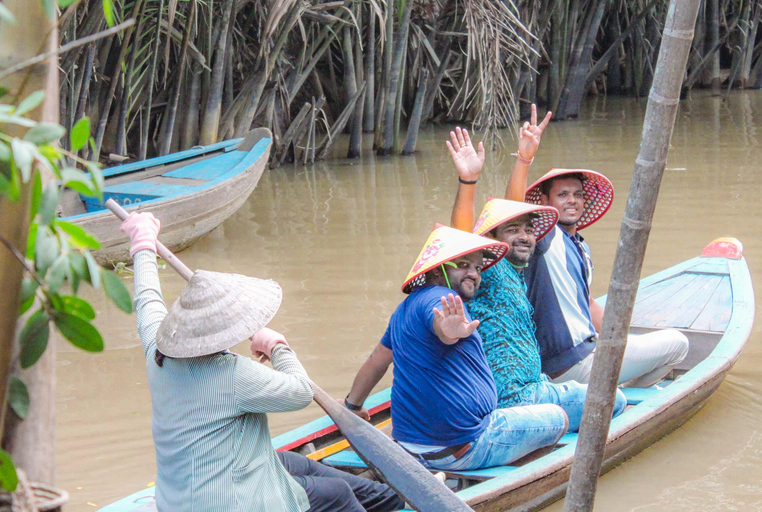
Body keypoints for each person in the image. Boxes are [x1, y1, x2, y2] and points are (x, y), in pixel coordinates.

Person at [121, 212, 404, 512]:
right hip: (234, 504)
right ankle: (391, 499)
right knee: (337, 493)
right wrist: (277, 346)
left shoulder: (157, 356)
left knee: (293, 462)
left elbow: (148, 300)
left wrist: (142, 245)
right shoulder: (232, 375)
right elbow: (300, 391)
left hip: (179, 500)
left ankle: (392, 498)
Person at [445, 121, 625, 431]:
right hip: (512, 398)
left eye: (530, 231)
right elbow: (463, 237)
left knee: (614, 400)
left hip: (537, 385)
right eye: (513, 232)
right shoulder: (488, 268)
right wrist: (469, 179)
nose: (526, 237)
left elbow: (515, 214)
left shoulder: (520, 276)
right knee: (600, 405)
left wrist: (525, 158)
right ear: (494, 240)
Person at [343, 224, 568, 472]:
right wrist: (448, 332)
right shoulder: (440, 298)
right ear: (438, 270)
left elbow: (377, 360)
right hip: (464, 446)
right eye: (463, 265)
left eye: (477, 268)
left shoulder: (404, 309)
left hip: (414, 448)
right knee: (559, 417)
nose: (473, 273)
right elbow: (440, 322)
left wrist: (353, 405)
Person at [523, 170, 689, 386]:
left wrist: (625, 340)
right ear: (545, 202)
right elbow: (517, 214)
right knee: (679, 344)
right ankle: (618, 397)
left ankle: (613, 392)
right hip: (571, 365)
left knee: (639, 344)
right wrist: (524, 161)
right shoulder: (545, 238)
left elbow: (590, 304)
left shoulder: (580, 247)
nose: (572, 200)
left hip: (590, 350)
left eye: (578, 194)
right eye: (562, 195)